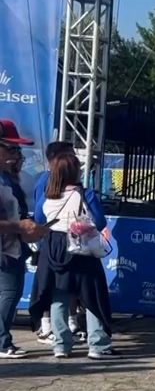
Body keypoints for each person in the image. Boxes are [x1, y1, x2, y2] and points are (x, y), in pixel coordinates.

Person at [28, 151, 115, 359]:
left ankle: (61, 345)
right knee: (90, 295)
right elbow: (100, 222)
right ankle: (98, 345)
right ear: (76, 172)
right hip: (80, 247)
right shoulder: (86, 195)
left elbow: (39, 220)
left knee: (59, 296)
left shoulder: (46, 197)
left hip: (53, 248)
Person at [0, 123, 48, 358]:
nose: (17, 156)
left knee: (11, 291)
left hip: (12, 248)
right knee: (9, 292)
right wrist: (19, 226)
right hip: (6, 251)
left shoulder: (9, 179)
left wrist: (28, 227)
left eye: (18, 151)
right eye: (11, 149)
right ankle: (1, 341)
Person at [31, 140, 78, 344]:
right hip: (50, 242)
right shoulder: (46, 181)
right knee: (50, 286)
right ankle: (46, 326)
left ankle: (67, 323)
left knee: (62, 287)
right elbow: (40, 215)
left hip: (54, 242)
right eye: (69, 154)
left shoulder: (64, 183)